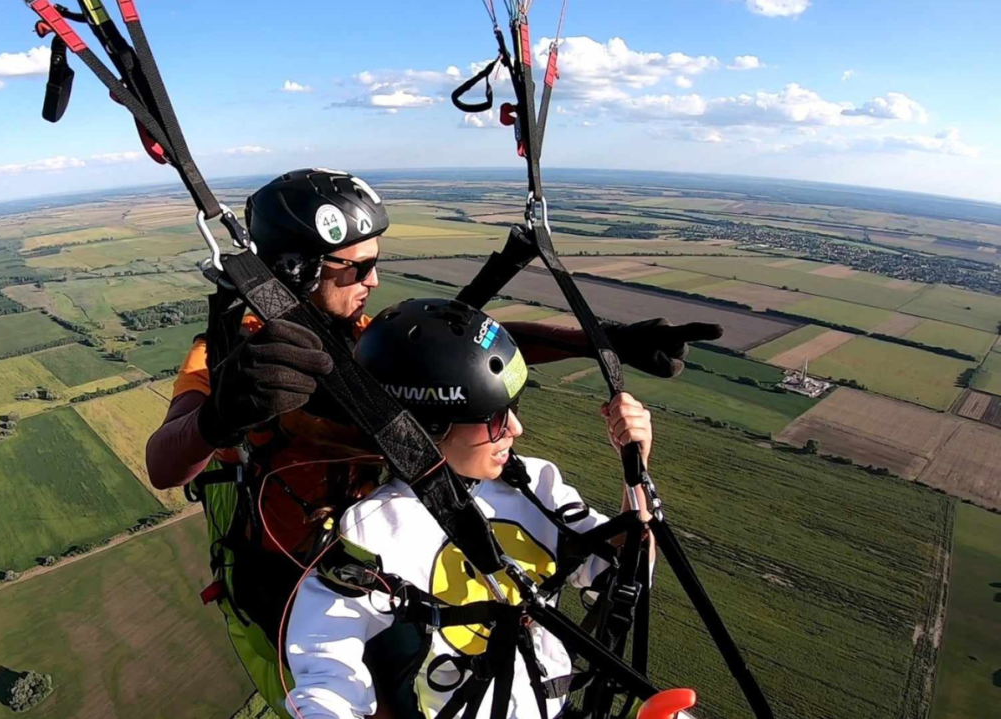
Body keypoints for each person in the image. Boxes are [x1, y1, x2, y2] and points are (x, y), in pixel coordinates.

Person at [143, 168, 714, 714]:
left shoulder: (358, 331)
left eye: (375, 263)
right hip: (310, 574)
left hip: (406, 531)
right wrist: (218, 419)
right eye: (355, 267)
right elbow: (165, 464)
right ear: (297, 269)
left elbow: (456, 352)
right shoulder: (226, 360)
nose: (372, 281)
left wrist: (603, 341)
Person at [283, 299, 656, 718]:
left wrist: (635, 470)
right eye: (495, 418)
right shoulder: (370, 534)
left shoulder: (536, 484)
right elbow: (326, 671)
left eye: (514, 407)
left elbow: (625, 575)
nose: (516, 429)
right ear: (425, 427)